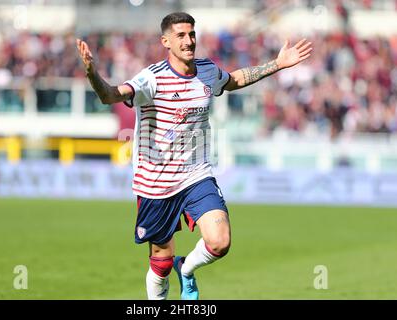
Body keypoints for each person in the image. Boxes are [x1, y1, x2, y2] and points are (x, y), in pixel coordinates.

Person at [76, 12, 312, 300]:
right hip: (156, 184)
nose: (189, 41)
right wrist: (92, 73)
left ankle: (186, 269)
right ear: (166, 41)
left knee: (220, 242)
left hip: (196, 175)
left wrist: (277, 64)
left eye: (191, 34)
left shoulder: (206, 70)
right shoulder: (152, 79)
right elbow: (111, 95)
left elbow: (233, 80)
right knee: (160, 264)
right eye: (180, 36)